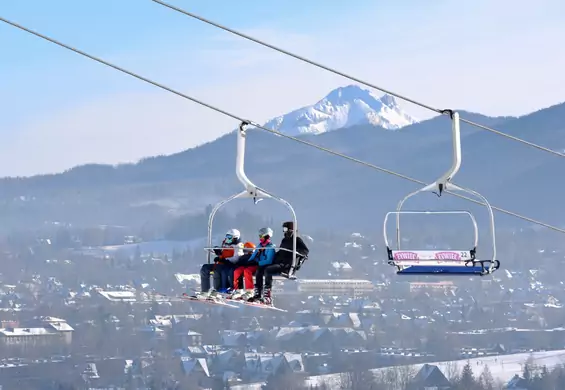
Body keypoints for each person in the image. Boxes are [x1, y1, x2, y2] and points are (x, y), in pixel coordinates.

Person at [250, 221, 310, 305]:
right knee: (260, 269)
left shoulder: (296, 240)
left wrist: (295, 252)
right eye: (283, 229)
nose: (284, 231)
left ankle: (267, 296)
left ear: (291, 230)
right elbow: (281, 251)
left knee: (268, 270)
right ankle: (258, 294)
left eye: (285, 229)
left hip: (286, 265)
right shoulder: (284, 240)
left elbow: (305, 250)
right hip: (279, 262)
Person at [199, 229, 244, 294]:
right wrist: (218, 252)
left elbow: (237, 258)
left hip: (229, 265)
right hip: (221, 264)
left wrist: (224, 260)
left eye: (229, 237)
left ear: (235, 238)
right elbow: (222, 253)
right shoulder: (225, 244)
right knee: (205, 268)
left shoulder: (238, 246)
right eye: (226, 236)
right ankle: (205, 291)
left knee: (220, 271)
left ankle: (222, 289)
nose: (227, 239)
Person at [246, 227, 276, 304]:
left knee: (261, 271)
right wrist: (249, 262)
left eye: (261, 237)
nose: (260, 239)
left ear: (267, 237)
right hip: (259, 264)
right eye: (259, 237)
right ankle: (257, 294)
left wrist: (258, 263)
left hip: (266, 265)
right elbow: (254, 255)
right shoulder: (259, 246)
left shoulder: (270, 247)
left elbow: (269, 260)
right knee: (254, 270)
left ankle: (267, 295)